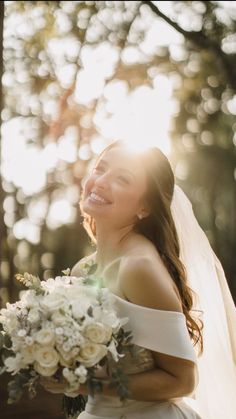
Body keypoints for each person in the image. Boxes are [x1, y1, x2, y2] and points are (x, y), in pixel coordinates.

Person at [42, 140, 236, 419]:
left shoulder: (138, 267)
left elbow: (183, 380)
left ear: (144, 207)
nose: (102, 181)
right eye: (101, 168)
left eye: (123, 178)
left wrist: (87, 384)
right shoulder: (82, 270)